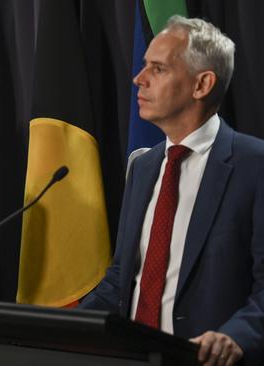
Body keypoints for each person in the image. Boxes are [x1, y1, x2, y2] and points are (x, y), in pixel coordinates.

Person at [80, 16, 264, 366]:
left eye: (158, 69)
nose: (138, 78)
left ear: (202, 84)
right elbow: (123, 275)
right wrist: (64, 325)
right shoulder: (143, 167)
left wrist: (236, 336)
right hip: (134, 357)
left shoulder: (254, 165)